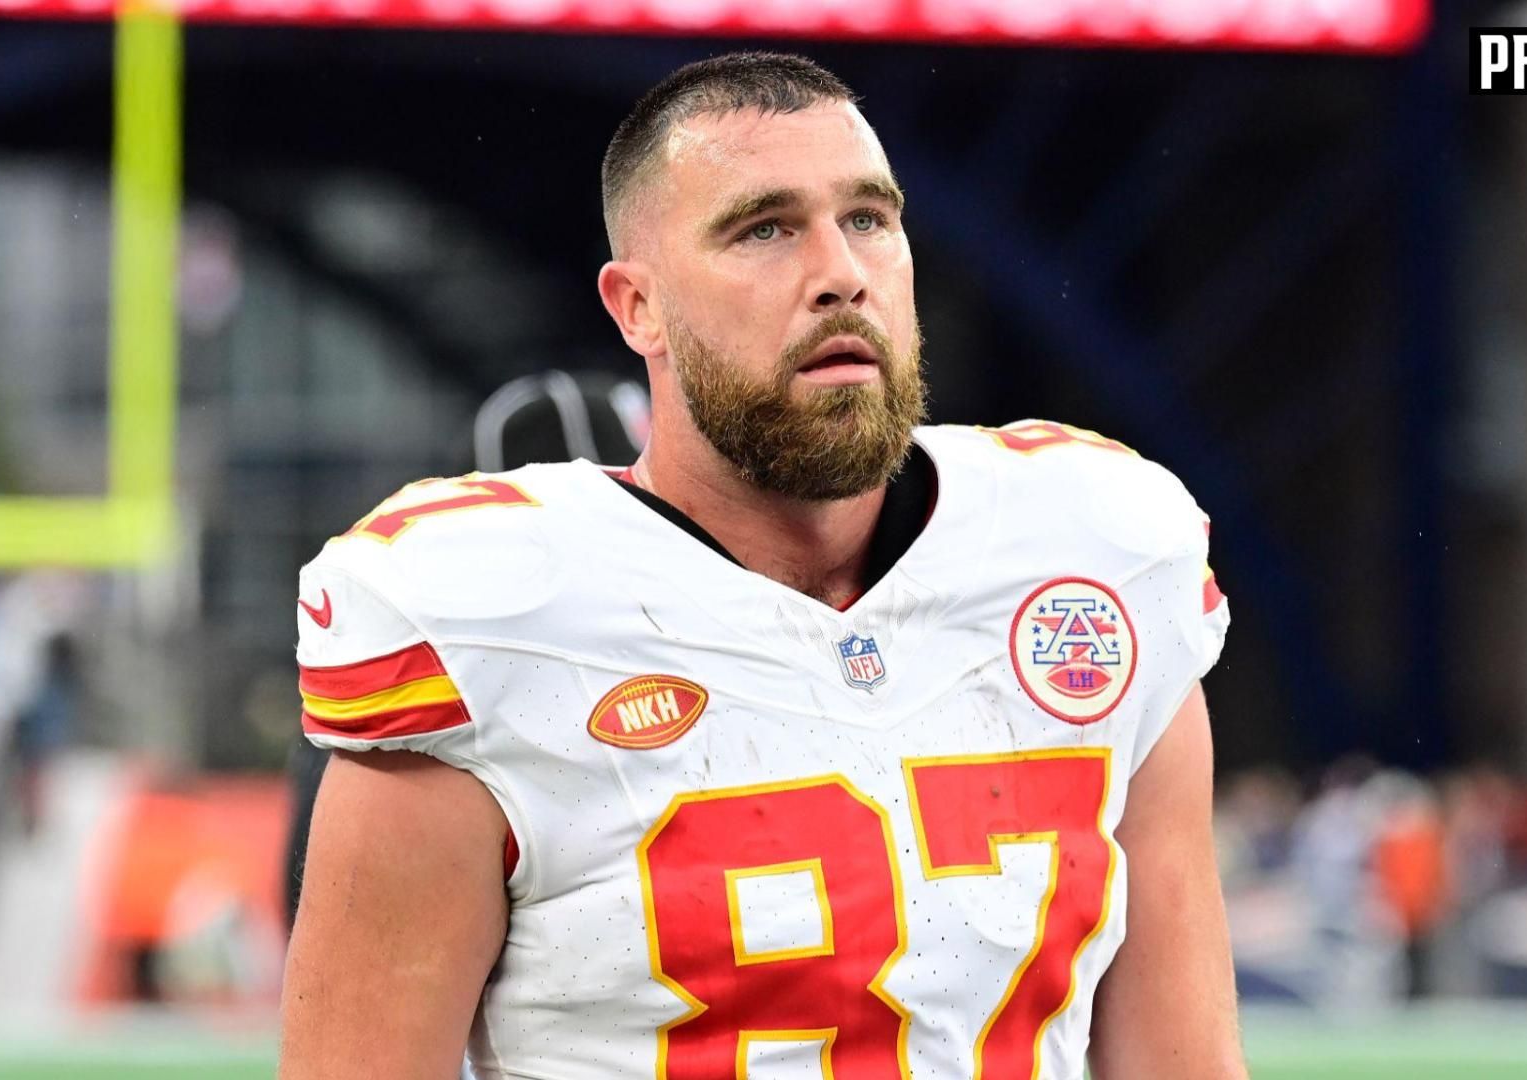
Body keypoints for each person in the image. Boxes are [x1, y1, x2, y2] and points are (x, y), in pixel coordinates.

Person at [279, 51, 1245, 1080]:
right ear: (636, 307)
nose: (842, 272)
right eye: (766, 229)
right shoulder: (489, 621)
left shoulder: (1094, 552)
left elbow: (1181, 1063)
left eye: (870, 219)